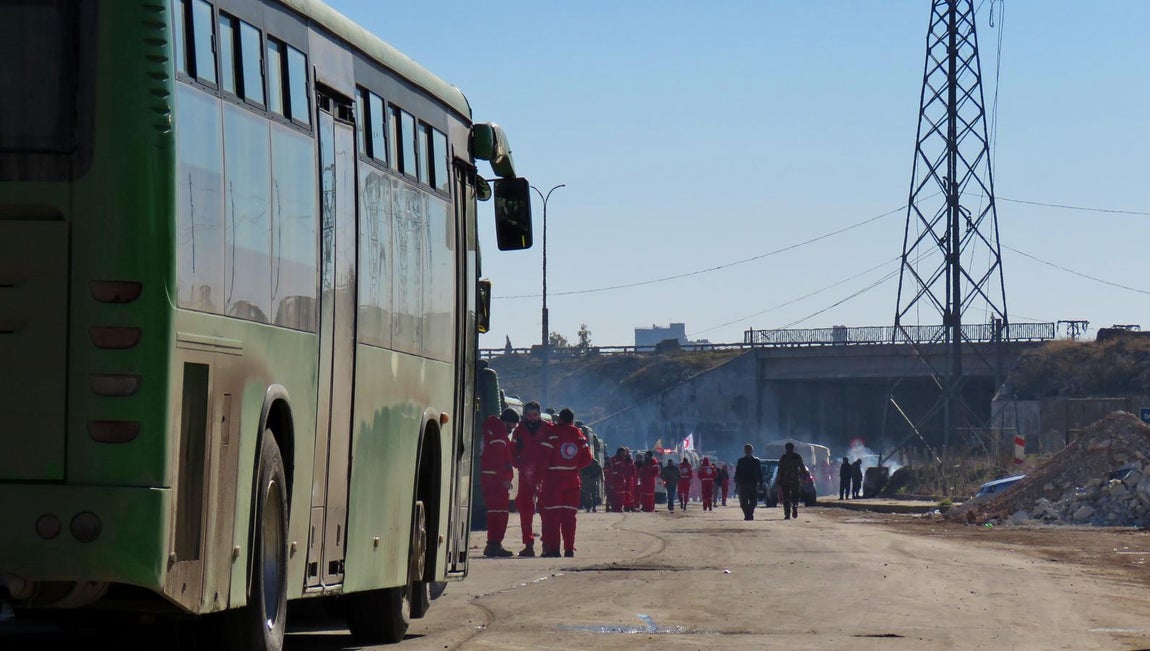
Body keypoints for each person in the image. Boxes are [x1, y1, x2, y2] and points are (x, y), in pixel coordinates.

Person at [536, 407, 592, 558]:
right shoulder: (578, 435)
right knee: (569, 517)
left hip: (553, 481)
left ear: (559, 419)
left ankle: (553, 550)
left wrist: (539, 478)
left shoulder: (552, 433)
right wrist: (574, 467)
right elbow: (588, 458)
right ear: (572, 420)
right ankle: (568, 549)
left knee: (553, 516)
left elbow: (543, 458)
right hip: (572, 481)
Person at [510, 401, 552, 556]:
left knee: (546, 510)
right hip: (526, 473)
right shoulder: (520, 430)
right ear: (525, 415)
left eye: (534, 415)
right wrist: (519, 465)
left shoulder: (548, 428)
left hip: (544, 474)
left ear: (539, 415)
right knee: (525, 510)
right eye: (529, 415)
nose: (532, 418)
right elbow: (512, 450)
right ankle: (528, 544)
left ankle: (547, 544)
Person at [480, 408, 520, 557]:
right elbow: (498, 458)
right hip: (496, 479)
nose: (512, 429)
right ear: (508, 422)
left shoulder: (493, 429)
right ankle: (494, 544)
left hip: (491, 477)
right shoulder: (499, 433)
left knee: (495, 512)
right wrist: (504, 478)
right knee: (500, 513)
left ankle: (494, 543)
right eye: (513, 426)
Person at [777, 442, 809, 520]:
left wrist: (779, 479)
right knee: (795, 496)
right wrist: (804, 476)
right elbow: (802, 467)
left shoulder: (784, 457)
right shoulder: (797, 457)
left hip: (785, 480)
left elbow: (780, 469)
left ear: (786, 448)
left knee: (786, 497)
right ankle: (795, 506)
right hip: (795, 480)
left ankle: (787, 513)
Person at [734, 444, 763, 521]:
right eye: (747, 450)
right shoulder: (741, 461)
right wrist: (737, 482)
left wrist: (761, 482)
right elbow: (737, 472)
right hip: (743, 483)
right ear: (745, 451)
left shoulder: (756, 461)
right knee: (743, 502)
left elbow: (759, 472)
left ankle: (749, 513)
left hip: (753, 483)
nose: (748, 451)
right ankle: (747, 514)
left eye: (749, 450)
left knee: (754, 501)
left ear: (752, 451)